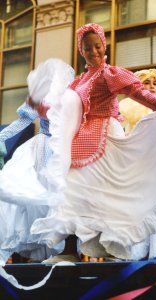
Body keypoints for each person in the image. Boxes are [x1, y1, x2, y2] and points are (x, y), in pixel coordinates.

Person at [28, 23, 156, 263]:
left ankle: (97, 244)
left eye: (97, 46)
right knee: (74, 189)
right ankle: (73, 249)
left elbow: (142, 95)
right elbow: (62, 110)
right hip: (82, 140)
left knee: (102, 191)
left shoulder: (110, 74)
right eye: (88, 48)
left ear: (104, 45)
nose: (94, 51)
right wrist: (41, 108)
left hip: (106, 138)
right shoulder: (79, 81)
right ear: (82, 51)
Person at [0, 58, 75, 264]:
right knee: (32, 195)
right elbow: (23, 121)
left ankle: (65, 250)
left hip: (63, 149)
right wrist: (1, 137)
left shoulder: (71, 97)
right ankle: (28, 253)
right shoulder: (40, 96)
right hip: (41, 149)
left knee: (63, 195)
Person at [119, 68, 156, 135]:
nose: (152, 86)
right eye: (147, 83)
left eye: (155, 84)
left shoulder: (153, 107)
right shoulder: (130, 104)